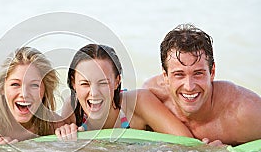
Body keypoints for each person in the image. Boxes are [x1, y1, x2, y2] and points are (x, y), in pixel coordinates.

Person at [143, 24, 261, 146]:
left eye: (198, 73)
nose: (189, 86)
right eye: (179, 74)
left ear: (212, 72)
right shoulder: (153, 96)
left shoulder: (243, 111)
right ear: (165, 76)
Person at [56, 43, 194, 140]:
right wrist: (64, 133)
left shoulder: (138, 103)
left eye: (103, 83)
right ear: (74, 83)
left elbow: (186, 143)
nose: (94, 93)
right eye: (85, 84)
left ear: (117, 81)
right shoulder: (73, 109)